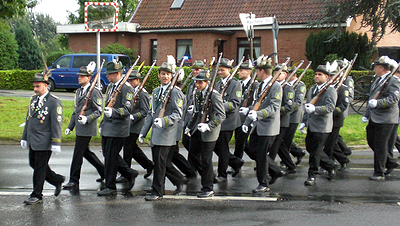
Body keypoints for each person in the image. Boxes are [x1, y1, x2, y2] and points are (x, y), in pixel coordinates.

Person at [140, 57, 185, 201]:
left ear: (172, 76)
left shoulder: (175, 92)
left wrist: (164, 121)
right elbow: (150, 114)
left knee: (160, 164)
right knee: (161, 163)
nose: (165, 76)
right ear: (158, 75)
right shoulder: (155, 91)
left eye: (168, 74)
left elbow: (178, 114)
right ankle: (178, 179)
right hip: (156, 134)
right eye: (163, 73)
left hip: (167, 133)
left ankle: (157, 191)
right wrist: (143, 132)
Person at [21, 72, 65, 205]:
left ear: (46, 85)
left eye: (37, 86)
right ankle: (56, 179)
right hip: (33, 140)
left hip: (45, 141)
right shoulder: (34, 100)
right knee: (34, 164)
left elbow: (56, 123)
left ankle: (36, 195)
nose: (35, 89)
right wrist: (24, 137)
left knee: (40, 168)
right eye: (34, 87)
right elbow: (28, 120)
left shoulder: (54, 102)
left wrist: (56, 141)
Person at [97, 60, 139, 196]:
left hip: (118, 128)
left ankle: (110, 186)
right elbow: (107, 106)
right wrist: (102, 123)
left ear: (117, 73)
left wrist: (114, 112)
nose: (107, 76)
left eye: (109, 74)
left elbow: (127, 109)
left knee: (110, 158)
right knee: (109, 155)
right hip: (108, 126)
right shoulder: (110, 87)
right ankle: (129, 173)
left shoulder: (126, 88)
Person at [242, 55, 282, 193]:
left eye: (257, 71)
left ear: (262, 71)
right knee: (253, 150)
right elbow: (256, 104)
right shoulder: (260, 86)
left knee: (260, 154)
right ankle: (275, 170)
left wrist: (258, 115)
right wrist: (248, 117)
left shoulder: (276, 86)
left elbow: (273, 107)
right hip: (258, 126)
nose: (256, 74)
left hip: (268, 126)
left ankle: (263, 183)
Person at [63, 63, 105, 190]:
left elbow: (98, 111)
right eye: (79, 76)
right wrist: (70, 126)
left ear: (89, 77)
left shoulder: (95, 92)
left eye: (82, 76)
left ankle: (74, 180)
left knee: (78, 154)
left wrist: (87, 118)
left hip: (87, 128)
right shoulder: (78, 92)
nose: (79, 78)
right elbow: (76, 111)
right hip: (79, 128)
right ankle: (103, 170)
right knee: (86, 153)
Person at [186, 70, 226, 197]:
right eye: (196, 82)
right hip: (198, 129)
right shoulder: (197, 93)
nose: (197, 85)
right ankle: (209, 176)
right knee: (193, 155)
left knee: (206, 159)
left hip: (210, 132)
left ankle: (208, 188)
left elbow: (221, 115)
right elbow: (197, 112)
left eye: (200, 83)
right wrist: (189, 126)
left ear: (207, 82)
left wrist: (209, 126)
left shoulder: (214, 95)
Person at [362, 56, 400, 180]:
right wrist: (367, 114)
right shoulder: (378, 80)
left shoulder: (394, 80)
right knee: (371, 140)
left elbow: (394, 99)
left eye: (376, 67)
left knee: (380, 144)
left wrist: (379, 103)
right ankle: (390, 162)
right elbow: (372, 97)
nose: (374, 69)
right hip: (375, 117)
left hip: (387, 118)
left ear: (381, 68)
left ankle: (379, 172)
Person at [300, 63, 337, 186]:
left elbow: (330, 107)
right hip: (311, 124)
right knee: (310, 149)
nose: (317, 76)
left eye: (320, 74)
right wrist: (304, 122)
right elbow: (308, 106)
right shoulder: (312, 89)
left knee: (315, 152)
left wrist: (315, 110)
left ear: (326, 77)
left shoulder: (330, 90)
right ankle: (330, 165)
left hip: (322, 126)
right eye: (316, 74)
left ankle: (312, 175)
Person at [117, 70, 153, 183]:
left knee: (128, 148)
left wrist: (133, 117)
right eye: (130, 80)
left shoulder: (143, 94)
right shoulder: (131, 91)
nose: (131, 82)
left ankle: (126, 173)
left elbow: (144, 111)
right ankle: (149, 165)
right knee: (132, 148)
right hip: (128, 124)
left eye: (133, 80)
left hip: (136, 125)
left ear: (138, 80)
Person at [213, 58, 244, 182]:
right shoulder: (218, 83)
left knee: (223, 148)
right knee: (216, 146)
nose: (219, 72)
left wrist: (219, 107)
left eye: (222, 70)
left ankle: (222, 174)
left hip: (228, 121)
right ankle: (236, 162)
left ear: (229, 70)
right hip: (218, 120)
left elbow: (235, 103)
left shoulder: (235, 83)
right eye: (218, 70)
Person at [268, 64, 296, 174]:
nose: (277, 75)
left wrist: (275, 111)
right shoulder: (273, 86)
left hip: (282, 120)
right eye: (275, 73)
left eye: (279, 73)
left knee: (275, 145)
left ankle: (270, 166)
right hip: (275, 120)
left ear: (285, 74)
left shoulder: (287, 87)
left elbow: (289, 106)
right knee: (280, 145)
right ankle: (290, 165)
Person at [322, 63, 350, 170]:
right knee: (331, 143)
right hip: (326, 120)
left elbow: (343, 105)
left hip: (336, 119)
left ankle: (328, 164)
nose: (331, 77)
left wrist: (331, 112)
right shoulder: (326, 88)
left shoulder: (343, 88)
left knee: (330, 144)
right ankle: (343, 159)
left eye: (334, 75)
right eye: (330, 75)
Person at [234, 61, 259, 168]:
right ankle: (261, 160)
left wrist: (248, 109)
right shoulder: (238, 84)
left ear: (249, 72)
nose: (238, 73)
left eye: (241, 70)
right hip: (237, 117)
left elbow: (256, 102)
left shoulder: (255, 85)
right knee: (243, 143)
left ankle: (236, 164)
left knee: (240, 142)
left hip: (247, 118)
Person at [285, 66, 307, 165]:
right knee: (283, 139)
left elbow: (298, 102)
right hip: (285, 116)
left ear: (292, 74)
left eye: (287, 73)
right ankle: (298, 152)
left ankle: (285, 161)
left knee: (287, 140)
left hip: (293, 116)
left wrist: (287, 111)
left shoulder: (300, 86)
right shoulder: (286, 85)